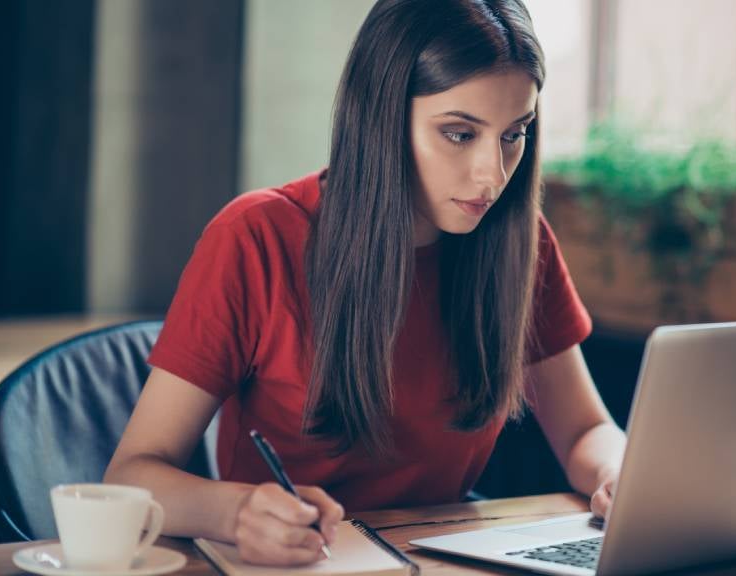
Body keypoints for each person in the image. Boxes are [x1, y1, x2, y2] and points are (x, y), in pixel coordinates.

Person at [105, 0, 627, 567]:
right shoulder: (255, 237)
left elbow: (585, 430)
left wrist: (618, 472)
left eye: (513, 135)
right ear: (380, 116)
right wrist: (234, 512)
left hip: (444, 559)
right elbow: (133, 476)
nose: (492, 174)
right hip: (294, 563)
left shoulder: (518, 243)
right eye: (459, 134)